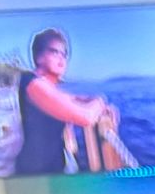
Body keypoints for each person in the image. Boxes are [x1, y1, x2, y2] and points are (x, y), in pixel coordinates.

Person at [14, 29, 108, 179]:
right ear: (39, 57)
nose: (62, 59)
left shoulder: (48, 87)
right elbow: (86, 118)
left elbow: (72, 99)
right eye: (54, 52)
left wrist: (97, 104)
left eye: (64, 54)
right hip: (38, 176)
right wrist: (100, 101)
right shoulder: (34, 84)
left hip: (53, 168)